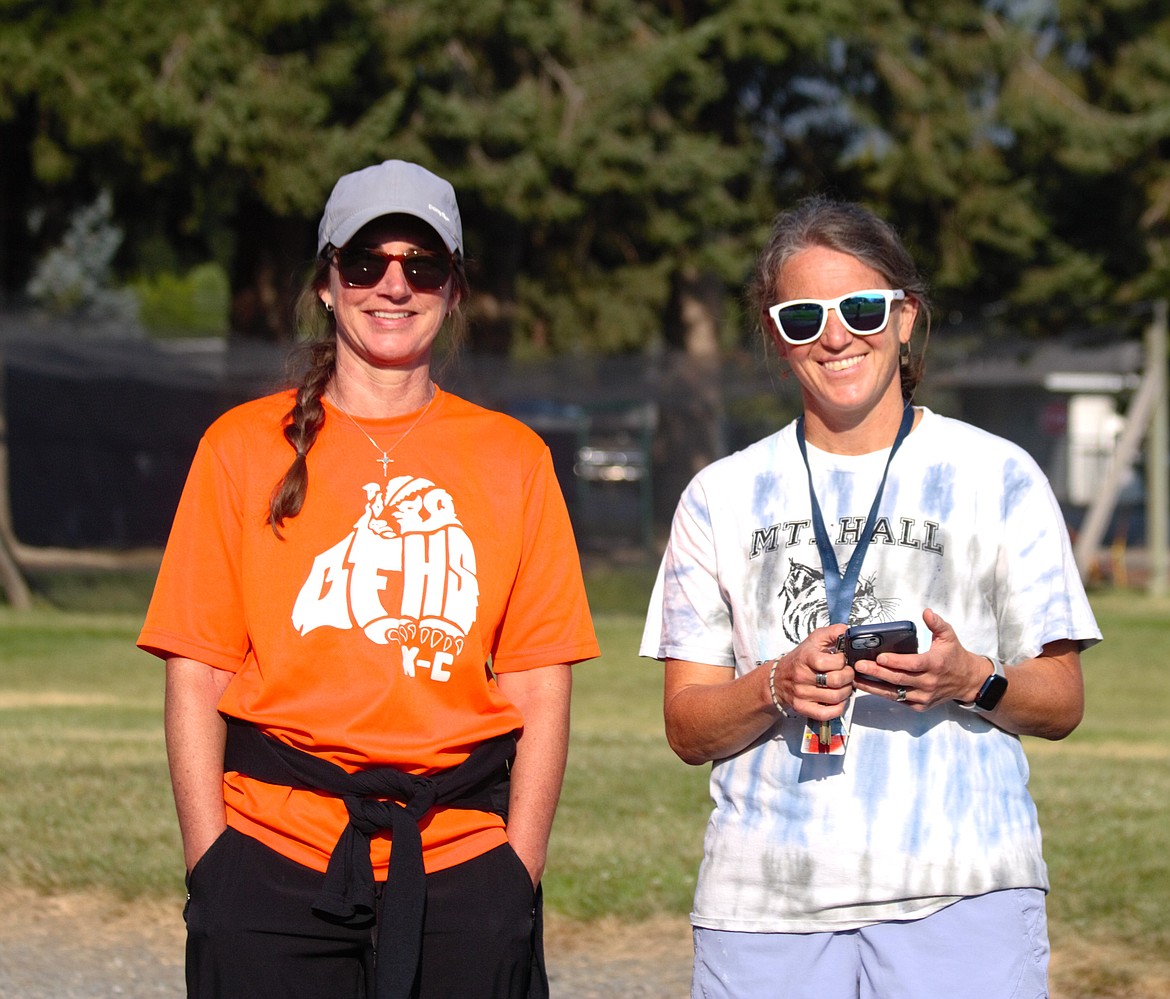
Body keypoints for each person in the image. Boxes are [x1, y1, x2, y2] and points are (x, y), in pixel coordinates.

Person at [138, 159, 599, 999]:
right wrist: (214, 870)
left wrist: (515, 874)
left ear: (454, 289)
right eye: (365, 263)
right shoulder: (240, 448)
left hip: (460, 859)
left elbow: (538, 683)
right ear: (326, 281)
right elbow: (196, 667)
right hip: (274, 856)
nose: (393, 286)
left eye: (422, 266)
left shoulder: (514, 459)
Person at [640, 195, 1100, 999]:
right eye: (801, 317)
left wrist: (972, 680)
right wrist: (775, 685)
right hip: (766, 908)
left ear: (904, 318)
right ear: (777, 339)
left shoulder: (999, 475)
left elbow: (1060, 699)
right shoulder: (720, 495)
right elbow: (686, 724)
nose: (835, 334)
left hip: (963, 895)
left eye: (858, 307)